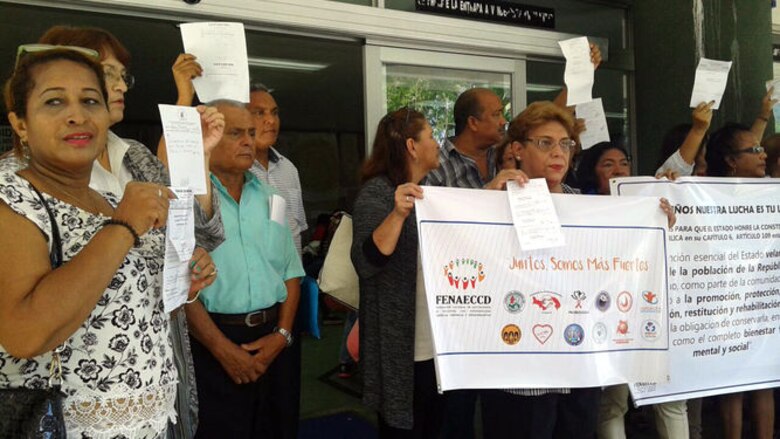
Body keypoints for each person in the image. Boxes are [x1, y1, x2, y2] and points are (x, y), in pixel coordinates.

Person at [0, 46, 217, 438]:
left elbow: (129, 313)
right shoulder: (12, 198)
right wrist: (122, 226)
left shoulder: (112, 201)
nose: (77, 115)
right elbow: (25, 334)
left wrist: (184, 283)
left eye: (90, 100)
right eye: (54, 102)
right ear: (20, 124)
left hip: (152, 421)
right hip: (69, 426)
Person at [184, 100, 305, 438]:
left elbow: (290, 271)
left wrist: (281, 336)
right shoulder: (187, 201)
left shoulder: (272, 198)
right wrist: (223, 350)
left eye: (251, 133)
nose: (249, 141)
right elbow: (180, 290)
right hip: (213, 343)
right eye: (235, 133)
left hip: (273, 338)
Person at [577, 142, 686, 439]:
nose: (618, 170)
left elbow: (662, 253)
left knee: (669, 397)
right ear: (592, 171)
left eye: (623, 162)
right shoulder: (578, 206)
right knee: (613, 401)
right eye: (607, 164)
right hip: (606, 314)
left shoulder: (645, 202)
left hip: (648, 309)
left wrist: (666, 220)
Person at [351, 107, 443, 437]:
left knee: (434, 424)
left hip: (438, 343)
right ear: (411, 146)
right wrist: (398, 213)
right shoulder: (376, 194)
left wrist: (492, 189)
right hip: (401, 343)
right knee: (402, 425)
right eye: (431, 136)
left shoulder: (434, 190)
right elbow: (366, 263)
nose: (437, 144)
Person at [706, 122, 772, 439]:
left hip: (766, 300)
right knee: (732, 380)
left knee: (765, 379)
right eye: (753, 150)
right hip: (726, 301)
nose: (763, 155)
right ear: (731, 161)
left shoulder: (773, 193)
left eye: (761, 149)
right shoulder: (706, 195)